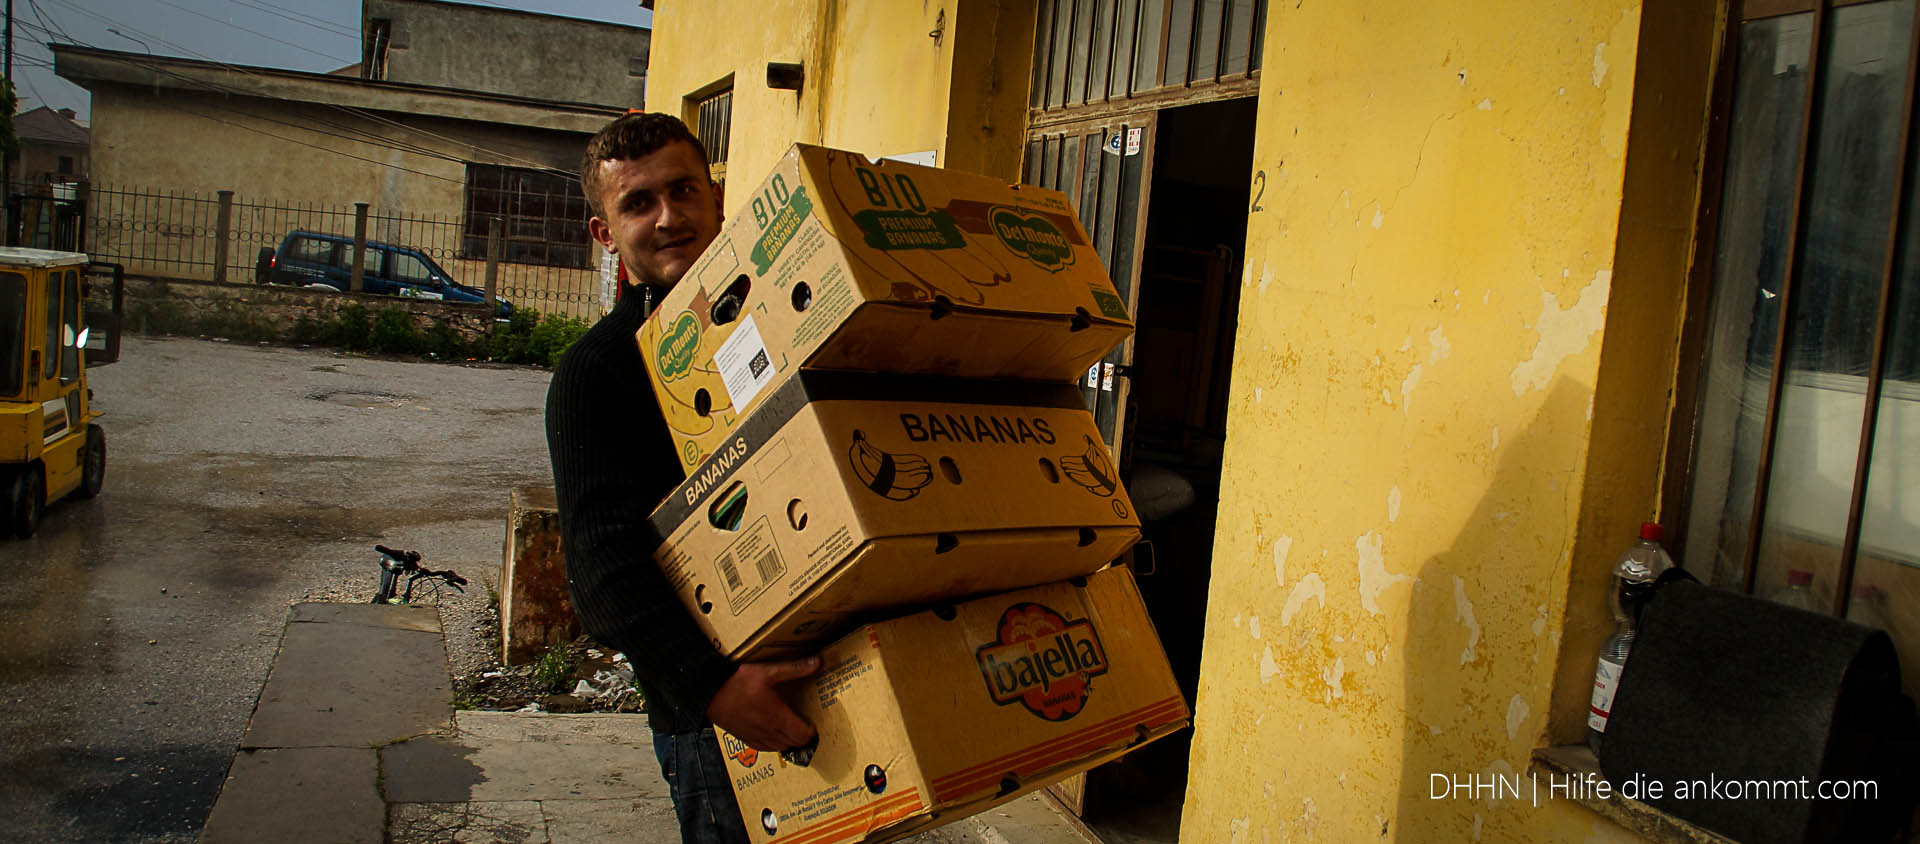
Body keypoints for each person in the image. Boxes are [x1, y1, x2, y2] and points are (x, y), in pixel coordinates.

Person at [545, 112, 819, 844]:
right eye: (638, 203)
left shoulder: (790, 318)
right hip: (720, 721)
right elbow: (604, 574)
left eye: (683, 190)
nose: (669, 218)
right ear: (605, 234)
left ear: (717, 197)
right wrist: (716, 691)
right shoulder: (595, 375)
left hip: (842, 677)